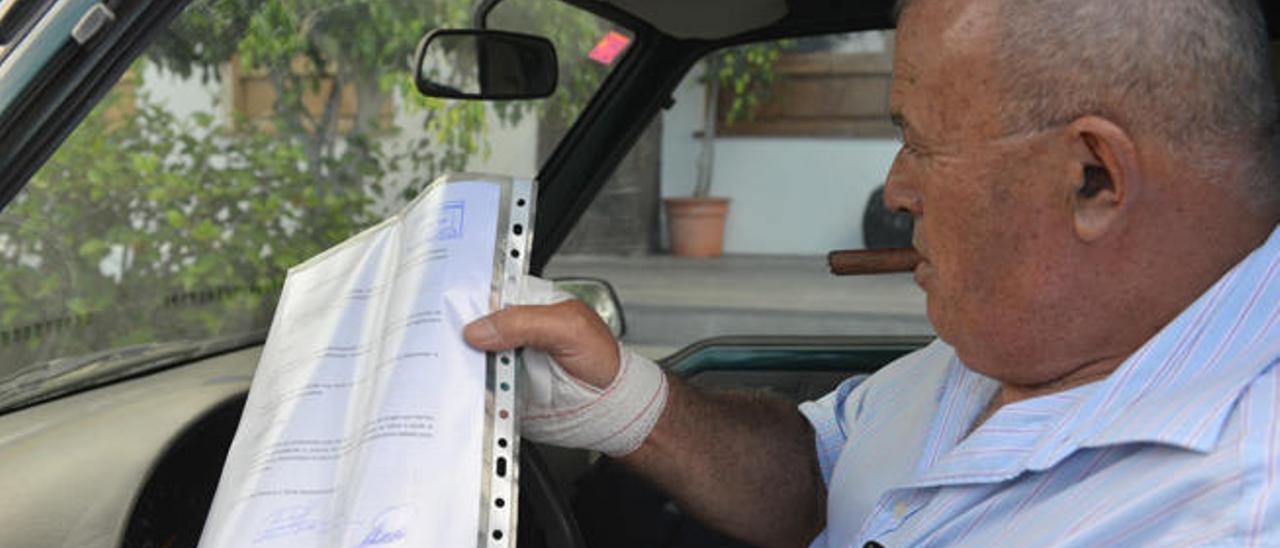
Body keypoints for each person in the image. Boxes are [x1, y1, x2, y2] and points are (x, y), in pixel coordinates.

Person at [464, 0, 1280, 545]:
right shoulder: (1020, 331)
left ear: (1093, 178)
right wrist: (626, 405)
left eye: (921, 142)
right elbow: (826, 471)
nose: (897, 189)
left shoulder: (1233, 506)